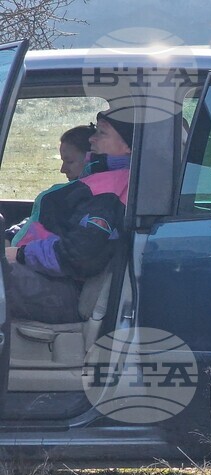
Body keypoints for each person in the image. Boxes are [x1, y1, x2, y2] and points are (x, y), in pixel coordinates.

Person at [5, 108, 131, 323]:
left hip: (63, 289)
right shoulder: (100, 178)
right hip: (46, 275)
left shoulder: (111, 190)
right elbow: (49, 225)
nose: (92, 137)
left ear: (128, 146)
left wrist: (19, 254)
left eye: (101, 133)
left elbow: (78, 256)